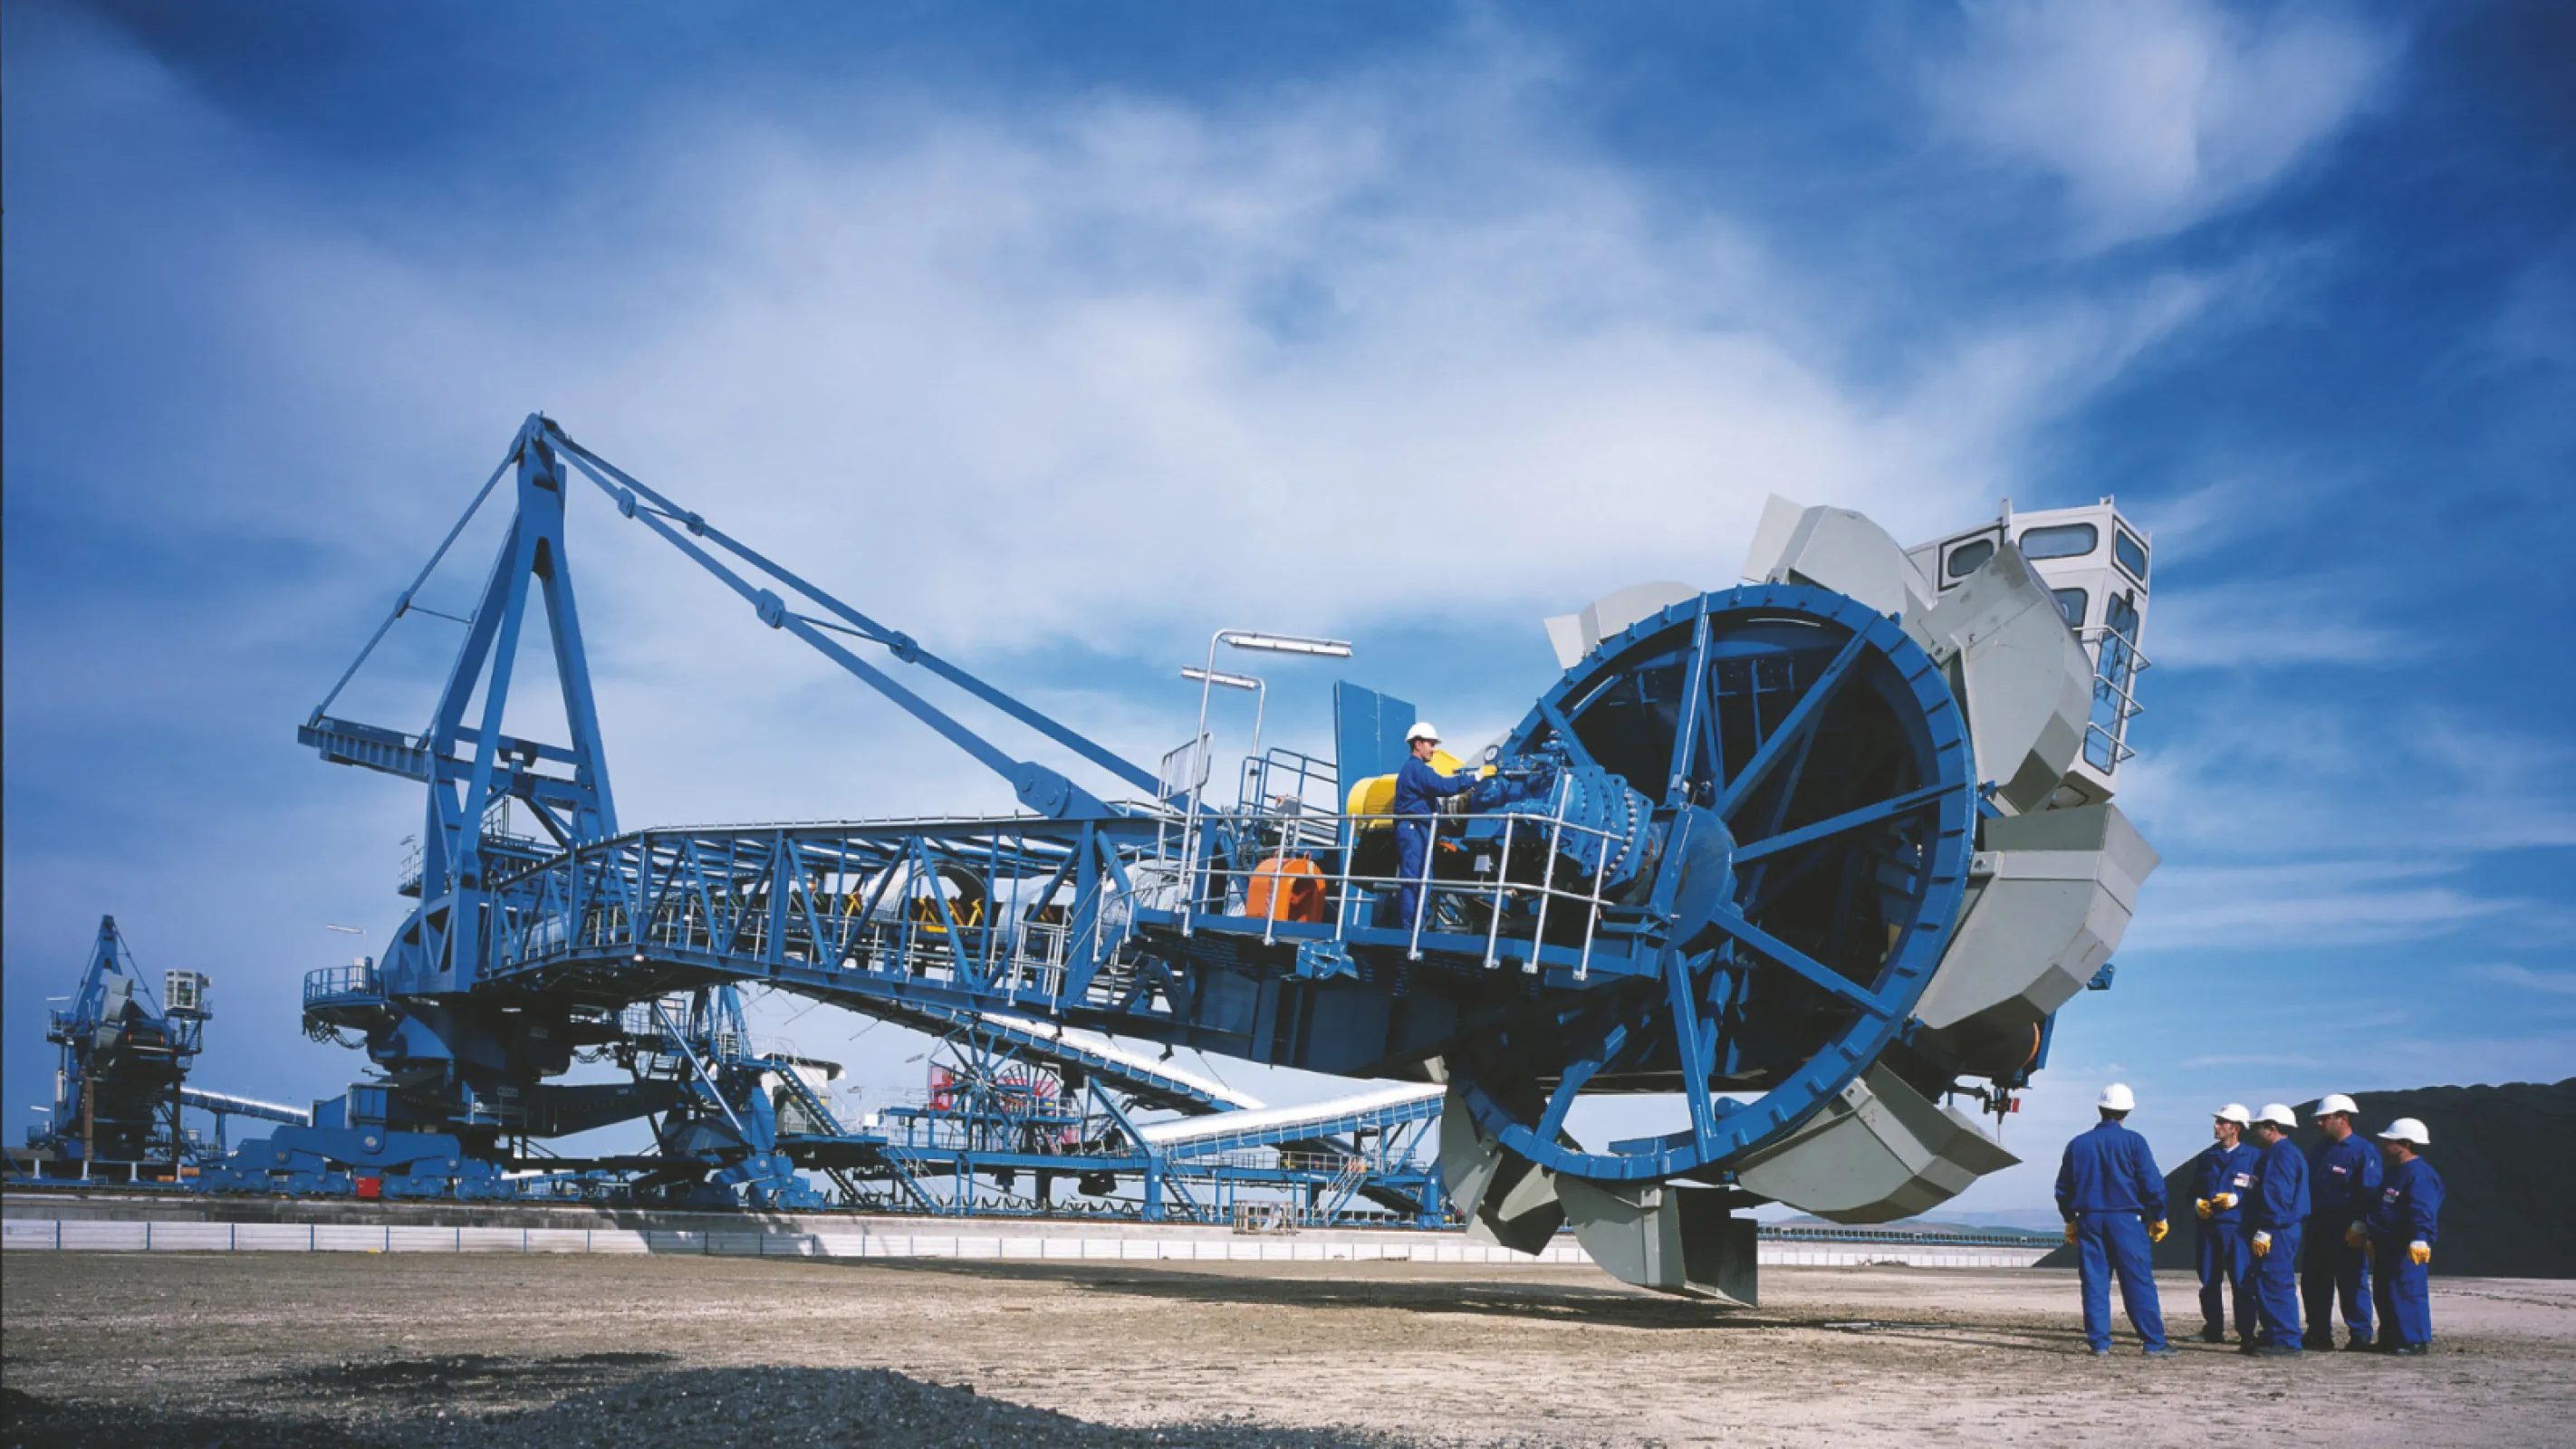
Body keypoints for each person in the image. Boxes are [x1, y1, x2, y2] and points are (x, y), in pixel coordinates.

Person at [2054, 1083, 2179, 1358]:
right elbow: (2152, 1183)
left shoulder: (2078, 1144)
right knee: (2137, 1281)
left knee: (2095, 1282)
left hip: (2089, 1219)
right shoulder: (2134, 1142)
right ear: (2127, 1111)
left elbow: (2063, 1188)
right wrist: (2158, 1214)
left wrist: (2070, 1219)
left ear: (2100, 1108)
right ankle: (2153, 1342)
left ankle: (2099, 1343)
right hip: (2125, 1219)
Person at [2356, 1118, 2445, 1357]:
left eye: (2390, 1141)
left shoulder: (2420, 1175)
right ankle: (2392, 1337)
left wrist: (2420, 1237)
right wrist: (2366, 1227)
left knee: (2407, 1290)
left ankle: (2414, 1340)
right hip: (2387, 1244)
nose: (2383, 1145)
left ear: (2405, 1144)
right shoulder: (2394, 1173)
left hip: (2406, 1245)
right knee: (2386, 1292)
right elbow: (2381, 1205)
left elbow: (2422, 1208)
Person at [2302, 1092, 2381, 1349]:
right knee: (2315, 1281)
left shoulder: (2362, 1151)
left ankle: (2359, 1333)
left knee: (2351, 1280)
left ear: (2343, 1119)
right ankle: (2318, 1333)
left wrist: (2361, 1223)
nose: (2319, 1123)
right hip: (2318, 1224)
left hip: (2346, 1226)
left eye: (2325, 1118)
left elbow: (2370, 1191)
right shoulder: (2319, 1150)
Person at [1389, 721, 1478, 933]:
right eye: (1431, 744)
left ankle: (1417, 925)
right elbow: (1444, 786)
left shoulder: (1413, 770)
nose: (1434, 749)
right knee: (1415, 880)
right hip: (1413, 830)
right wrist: (1476, 777)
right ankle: (1411, 930)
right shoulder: (1417, 769)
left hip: (1418, 830)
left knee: (1421, 879)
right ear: (1418, 744)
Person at [2242, 1102, 2311, 1357]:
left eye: (2258, 1127)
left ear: (2271, 1128)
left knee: (2276, 1283)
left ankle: (2285, 1340)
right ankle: (2273, 1333)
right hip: (2278, 1227)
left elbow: (2278, 1195)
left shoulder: (2281, 1155)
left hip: (2278, 1229)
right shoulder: (2280, 1154)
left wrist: (2267, 1228)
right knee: (2266, 1282)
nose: (2254, 1133)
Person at [2191, 1103, 2259, 1344]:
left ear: (2236, 1128)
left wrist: (2238, 1198)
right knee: (2209, 1280)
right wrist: (2198, 1203)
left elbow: (2261, 1192)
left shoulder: (2253, 1157)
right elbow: (2194, 1189)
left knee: (2241, 1280)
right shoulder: (2208, 1157)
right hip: (2209, 1227)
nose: (2216, 1126)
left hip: (2238, 1228)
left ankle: (2247, 1332)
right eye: (2217, 1121)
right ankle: (2213, 1329)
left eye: (2222, 1122)